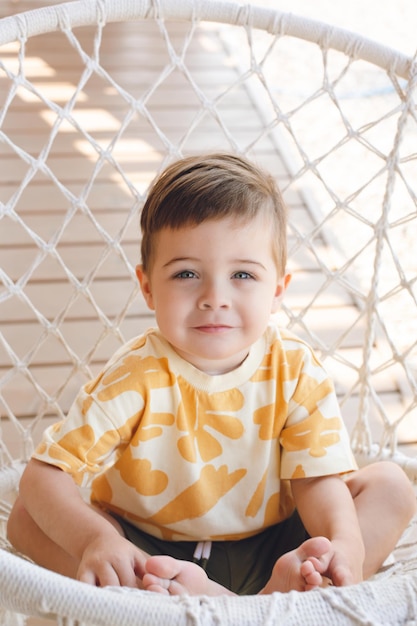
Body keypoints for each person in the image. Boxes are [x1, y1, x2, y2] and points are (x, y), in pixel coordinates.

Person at [7, 154, 416, 596]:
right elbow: (43, 476)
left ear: (277, 289)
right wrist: (98, 539)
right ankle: (212, 601)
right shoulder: (137, 374)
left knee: (391, 486)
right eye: (186, 273)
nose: (214, 297)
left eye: (242, 274)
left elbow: (315, 477)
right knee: (26, 517)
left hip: (271, 545)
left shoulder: (293, 368)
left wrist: (344, 542)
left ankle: (299, 590)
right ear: (147, 286)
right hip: (151, 552)